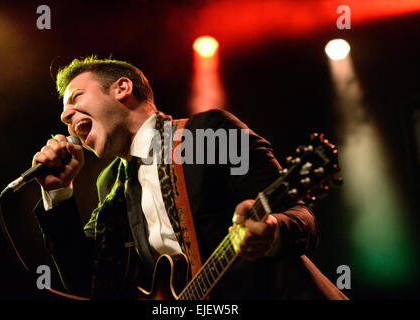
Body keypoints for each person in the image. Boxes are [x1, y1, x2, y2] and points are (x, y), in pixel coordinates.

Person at [32, 56, 348, 300]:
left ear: (122, 88)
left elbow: (302, 218)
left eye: (76, 97)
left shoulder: (208, 133)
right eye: (64, 111)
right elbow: (88, 280)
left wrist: (273, 232)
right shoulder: (112, 184)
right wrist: (58, 193)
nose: (64, 116)